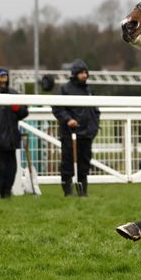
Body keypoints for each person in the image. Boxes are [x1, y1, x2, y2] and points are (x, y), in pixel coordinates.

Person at [52, 59, 100, 196]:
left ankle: (82, 192)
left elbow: (95, 110)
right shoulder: (64, 89)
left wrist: (94, 126)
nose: (84, 75)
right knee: (68, 163)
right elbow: (57, 108)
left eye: (86, 72)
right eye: (81, 73)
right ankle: (68, 192)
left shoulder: (89, 90)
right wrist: (68, 120)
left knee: (84, 164)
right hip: (70, 134)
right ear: (75, 74)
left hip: (87, 134)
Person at [0, 67, 29, 198]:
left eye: (5, 77)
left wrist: (18, 108)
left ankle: (6, 193)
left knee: (11, 169)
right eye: (1, 77)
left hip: (11, 139)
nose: (3, 80)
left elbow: (24, 112)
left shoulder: (14, 94)